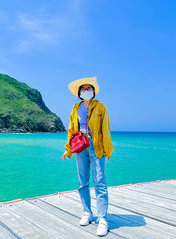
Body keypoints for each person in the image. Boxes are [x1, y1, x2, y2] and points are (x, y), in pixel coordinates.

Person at [62, 76, 114, 237]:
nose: (86, 91)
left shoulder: (100, 107)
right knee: (82, 182)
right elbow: (71, 129)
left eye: (89, 88)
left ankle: (103, 218)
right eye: (83, 89)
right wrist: (68, 149)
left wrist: (107, 148)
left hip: (96, 146)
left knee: (99, 182)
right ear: (79, 92)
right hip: (80, 146)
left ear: (93, 91)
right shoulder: (75, 108)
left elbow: (106, 129)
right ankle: (87, 212)